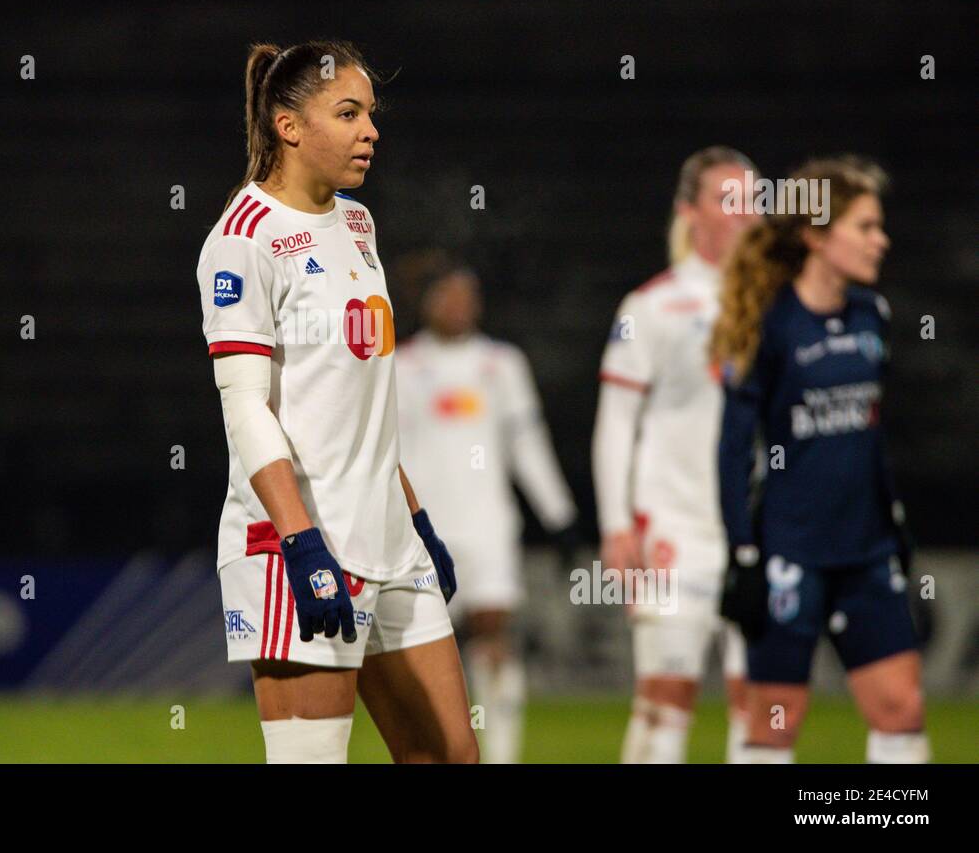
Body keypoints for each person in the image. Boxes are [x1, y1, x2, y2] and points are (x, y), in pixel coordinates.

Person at [195, 40, 478, 763]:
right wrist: (299, 539)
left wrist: (414, 515)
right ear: (289, 127)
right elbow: (246, 408)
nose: (370, 131)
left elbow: (365, 401)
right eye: (347, 113)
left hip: (388, 536)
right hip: (300, 542)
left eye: (370, 114)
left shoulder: (358, 224)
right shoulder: (242, 241)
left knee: (451, 756)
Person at [712, 156, 928, 763]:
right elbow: (733, 449)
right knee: (776, 723)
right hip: (790, 553)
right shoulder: (768, 323)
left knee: (902, 708)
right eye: (864, 226)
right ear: (815, 235)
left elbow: (870, 430)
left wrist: (895, 519)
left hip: (866, 551)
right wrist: (742, 552)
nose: (880, 240)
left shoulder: (873, 316)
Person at [592, 146, 758, 762]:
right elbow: (616, 421)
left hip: (760, 535)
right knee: (665, 705)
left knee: (762, 707)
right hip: (671, 530)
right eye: (729, 199)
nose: (747, 213)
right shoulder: (652, 306)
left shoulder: (785, 305)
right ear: (691, 212)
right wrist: (615, 526)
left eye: (754, 199)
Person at [394, 261, 577, 763]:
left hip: (489, 525)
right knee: (431, 647)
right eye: (449, 295)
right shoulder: (400, 365)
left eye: (468, 295)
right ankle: (440, 749)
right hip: (426, 531)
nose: (460, 305)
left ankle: (501, 755)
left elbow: (528, 444)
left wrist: (558, 513)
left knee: (494, 635)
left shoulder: (503, 364)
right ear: (428, 302)